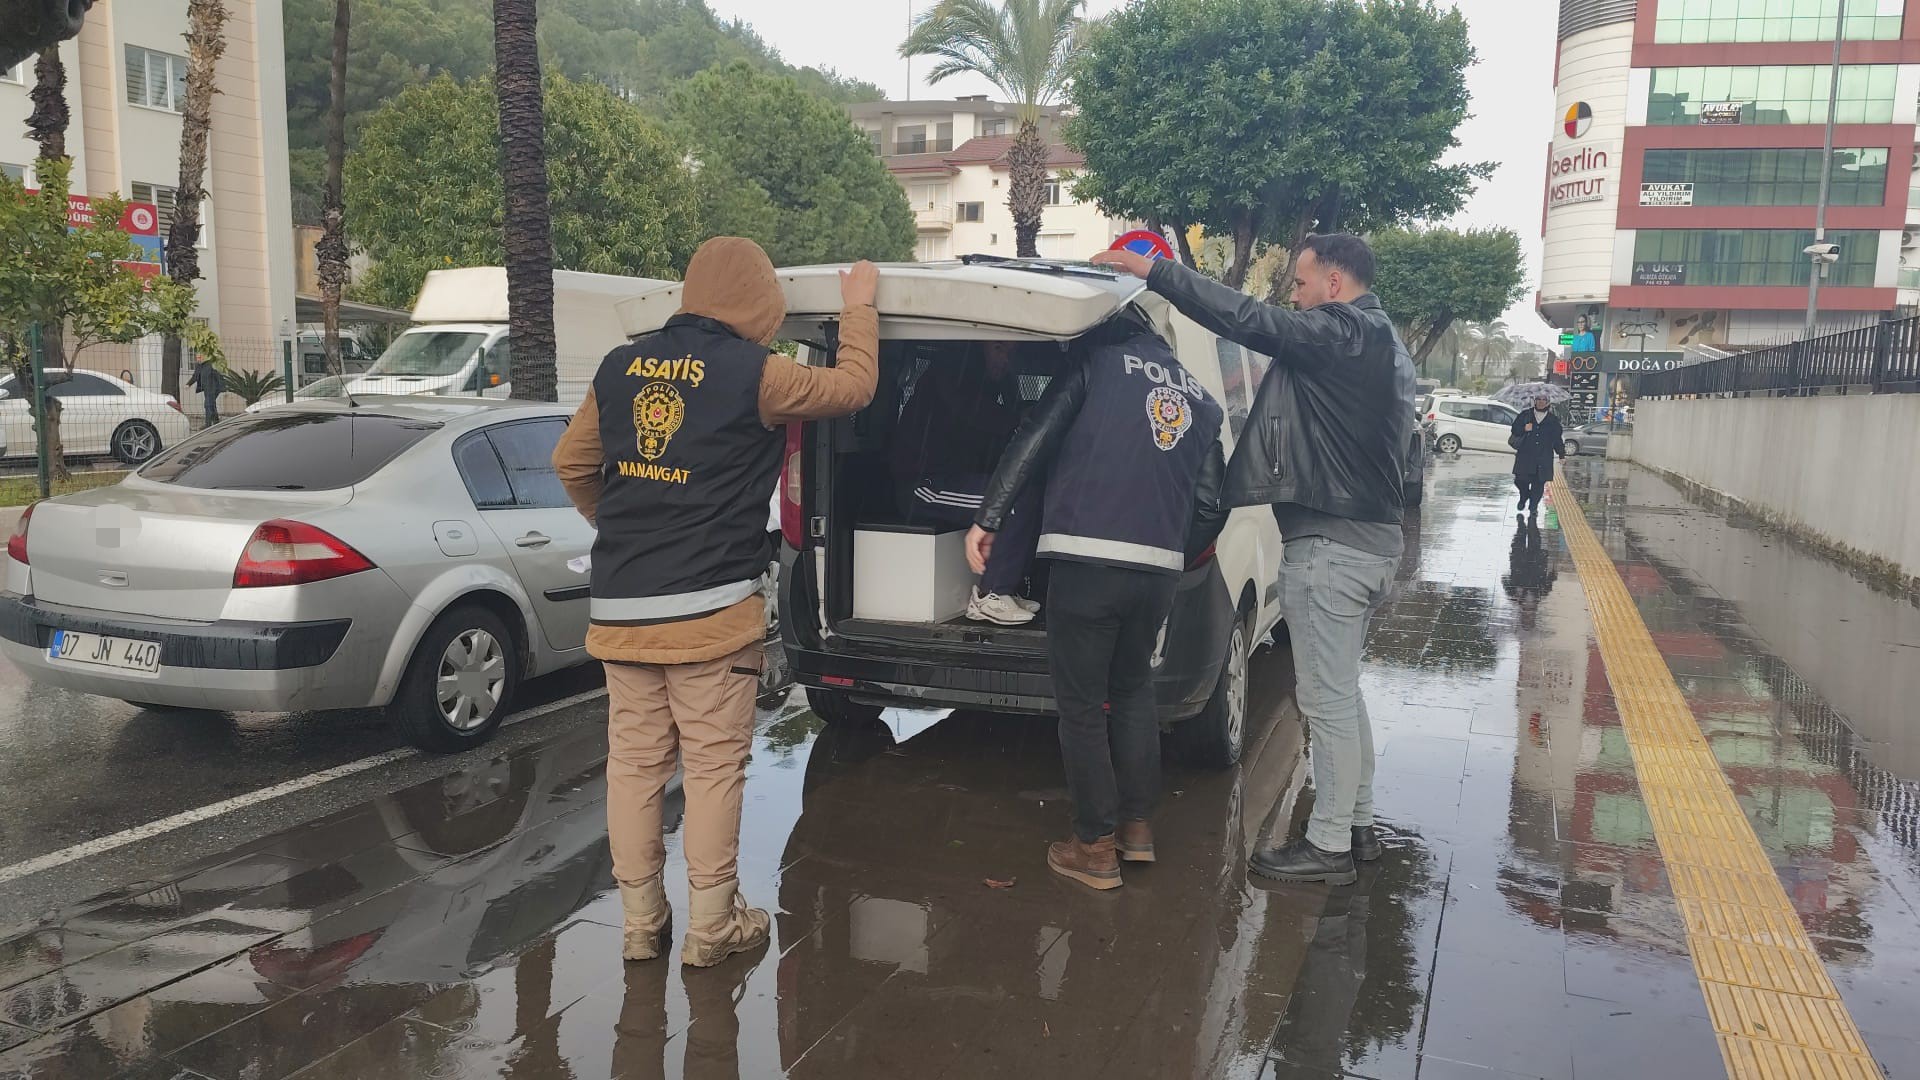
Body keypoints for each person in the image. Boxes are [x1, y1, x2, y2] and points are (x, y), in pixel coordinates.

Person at [554, 238, 880, 966]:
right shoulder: (759, 374)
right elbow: (853, 388)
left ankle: (641, 923)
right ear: (758, 301)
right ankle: (712, 926)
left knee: (634, 767)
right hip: (712, 613)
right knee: (710, 770)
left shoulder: (618, 366)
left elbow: (570, 462)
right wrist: (858, 310)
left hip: (622, 613)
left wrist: (621, 527)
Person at [1093, 233, 1414, 887]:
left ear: (1334, 283)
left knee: (1325, 700)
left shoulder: (1343, 331)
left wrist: (1153, 270)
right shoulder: (1384, 340)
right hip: (1369, 544)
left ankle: (1328, 846)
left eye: (1301, 282)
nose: (1293, 295)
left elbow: (1247, 318)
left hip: (1332, 549)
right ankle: (1356, 826)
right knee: (1343, 694)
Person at [968, 307, 1226, 891]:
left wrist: (990, 517)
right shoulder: (1202, 400)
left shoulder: (1094, 364)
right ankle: (1137, 830)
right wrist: (1167, 551)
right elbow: (1212, 503)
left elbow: (1034, 438)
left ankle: (1094, 847)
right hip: (1157, 573)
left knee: (1082, 705)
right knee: (1132, 690)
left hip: (1086, 561)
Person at [892, 342, 1043, 624]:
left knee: (1026, 492)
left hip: (951, 478)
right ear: (980, 345)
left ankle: (1007, 589)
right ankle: (990, 595)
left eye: (1010, 353)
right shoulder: (953, 370)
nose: (1005, 359)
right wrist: (1019, 418)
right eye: (998, 349)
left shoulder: (982, 380)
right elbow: (975, 414)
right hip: (923, 486)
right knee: (1014, 500)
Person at [1509, 393, 1565, 520]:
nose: (1541, 401)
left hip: (1543, 457)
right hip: (1525, 456)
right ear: (1534, 401)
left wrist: (1561, 454)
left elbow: (1557, 438)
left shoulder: (1553, 420)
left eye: (1544, 399)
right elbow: (1514, 429)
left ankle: (1533, 507)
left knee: (1538, 484)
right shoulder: (1525, 415)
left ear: (1548, 402)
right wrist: (1524, 428)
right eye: (1538, 399)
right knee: (1520, 480)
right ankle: (1524, 496)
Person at [187, 358, 223, 429]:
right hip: (206, 389)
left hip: (214, 388)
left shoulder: (211, 364)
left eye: (200, 357)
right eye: (197, 357)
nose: (198, 359)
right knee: (211, 405)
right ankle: (216, 422)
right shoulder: (199, 366)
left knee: (207, 404)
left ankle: (208, 424)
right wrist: (188, 384)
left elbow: (218, 376)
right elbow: (195, 376)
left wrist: (221, 387)